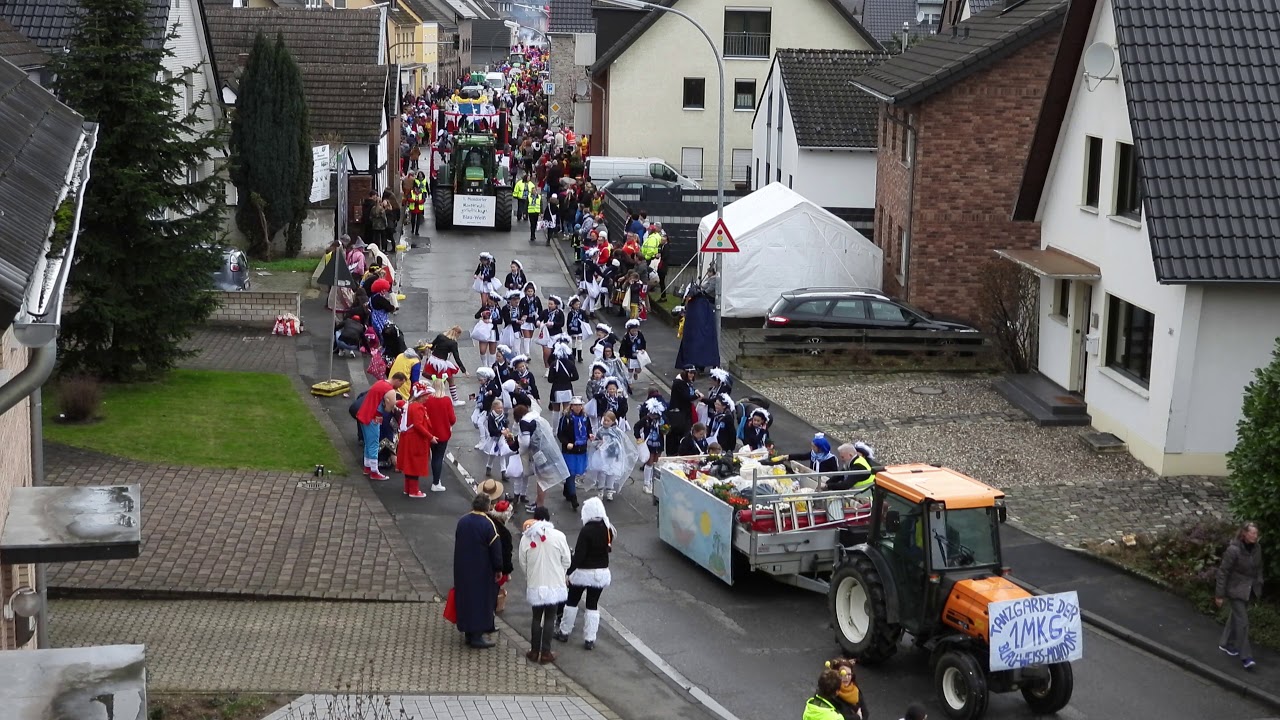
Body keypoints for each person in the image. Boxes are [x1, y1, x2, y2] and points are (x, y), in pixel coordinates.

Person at [556, 497, 615, 650]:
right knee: (592, 605)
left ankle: (564, 632)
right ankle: (590, 639)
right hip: (600, 573)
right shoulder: (607, 528)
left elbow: (579, 555)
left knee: (572, 601)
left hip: (583, 572)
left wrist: (568, 572)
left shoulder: (586, 530)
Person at [519, 506, 571, 664]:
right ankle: (546, 652)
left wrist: (530, 576)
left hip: (536, 583)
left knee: (536, 617)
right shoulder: (559, 536)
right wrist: (561, 573)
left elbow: (523, 562)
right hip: (554, 584)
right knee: (550, 617)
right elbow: (567, 560)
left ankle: (534, 651)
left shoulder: (527, 538)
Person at [453, 492, 503, 649]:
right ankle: (476, 635)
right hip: (481, 570)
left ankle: (468, 632)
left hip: (462, 568)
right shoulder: (488, 525)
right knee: (480, 601)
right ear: (487, 506)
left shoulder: (463, 520)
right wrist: (498, 569)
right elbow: (496, 550)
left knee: (465, 599)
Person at [1216, 521, 1264, 670]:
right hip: (1235, 589)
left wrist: (1259, 582)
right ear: (1244, 533)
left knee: (1236, 617)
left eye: (1256, 533)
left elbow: (1259, 567)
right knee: (1243, 622)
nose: (1255, 536)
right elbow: (1223, 572)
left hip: (1249, 589)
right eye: (1252, 533)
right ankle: (1246, 657)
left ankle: (1227, 644)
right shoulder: (1233, 550)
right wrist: (1219, 594)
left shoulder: (1257, 548)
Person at [356, 373, 407, 480]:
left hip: (363, 414)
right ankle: (374, 472)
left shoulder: (380, 383)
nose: (400, 386)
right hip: (373, 417)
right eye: (401, 383)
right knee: (374, 444)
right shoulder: (390, 390)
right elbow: (389, 409)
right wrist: (392, 404)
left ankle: (368, 467)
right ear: (398, 380)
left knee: (368, 443)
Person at [396, 381, 437, 498]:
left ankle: (408, 488)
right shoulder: (417, 408)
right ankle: (413, 491)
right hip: (415, 441)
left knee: (409, 464)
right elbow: (419, 426)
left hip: (409, 439)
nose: (428, 397)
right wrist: (431, 437)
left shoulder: (411, 405)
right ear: (421, 396)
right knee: (414, 465)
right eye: (426, 395)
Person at [558, 398, 592, 510]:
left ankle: (567, 490)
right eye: (575, 405)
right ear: (571, 406)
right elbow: (560, 434)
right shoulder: (566, 418)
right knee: (571, 473)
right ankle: (573, 498)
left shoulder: (586, 418)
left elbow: (588, 430)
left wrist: (590, 435)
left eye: (580, 405)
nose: (578, 407)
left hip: (581, 449)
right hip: (570, 450)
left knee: (575, 473)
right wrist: (567, 443)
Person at [424, 377, 456, 492]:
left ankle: (434, 481)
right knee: (438, 457)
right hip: (443, 434)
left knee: (433, 456)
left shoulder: (427, 400)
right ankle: (436, 482)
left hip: (429, 433)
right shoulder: (447, 400)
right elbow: (452, 419)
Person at [426, 325, 468, 405]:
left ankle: (452, 399)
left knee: (447, 379)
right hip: (441, 364)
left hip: (433, 360)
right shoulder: (453, 343)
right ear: (457, 334)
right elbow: (457, 358)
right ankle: (438, 400)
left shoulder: (440, 336)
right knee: (442, 382)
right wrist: (464, 370)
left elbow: (432, 346)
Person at [633, 398, 666, 495]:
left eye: (654, 415)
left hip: (659, 443)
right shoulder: (646, 419)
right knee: (649, 462)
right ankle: (646, 484)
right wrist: (638, 437)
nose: (652, 416)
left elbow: (668, 427)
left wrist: (665, 430)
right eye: (651, 414)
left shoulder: (663, 420)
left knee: (656, 463)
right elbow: (637, 426)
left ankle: (653, 482)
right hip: (649, 444)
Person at [763, 433, 840, 473]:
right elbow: (801, 456)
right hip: (814, 478)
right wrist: (787, 457)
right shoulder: (813, 454)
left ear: (820, 448)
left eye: (814, 447)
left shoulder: (831, 459)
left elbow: (835, 474)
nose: (812, 448)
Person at [546, 336, 579, 412]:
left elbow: (550, 380)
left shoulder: (554, 364)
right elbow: (576, 377)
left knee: (556, 411)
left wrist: (556, 379)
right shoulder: (571, 363)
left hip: (556, 388)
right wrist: (568, 379)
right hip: (567, 388)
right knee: (566, 410)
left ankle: (556, 424)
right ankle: (564, 423)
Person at [619, 319, 647, 386]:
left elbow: (643, 342)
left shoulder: (640, 334)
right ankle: (629, 381)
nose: (635, 332)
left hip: (638, 356)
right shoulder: (626, 337)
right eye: (633, 330)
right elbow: (623, 347)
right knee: (630, 369)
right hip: (630, 356)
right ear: (629, 330)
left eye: (636, 330)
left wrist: (643, 349)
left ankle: (636, 373)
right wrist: (622, 355)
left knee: (638, 369)